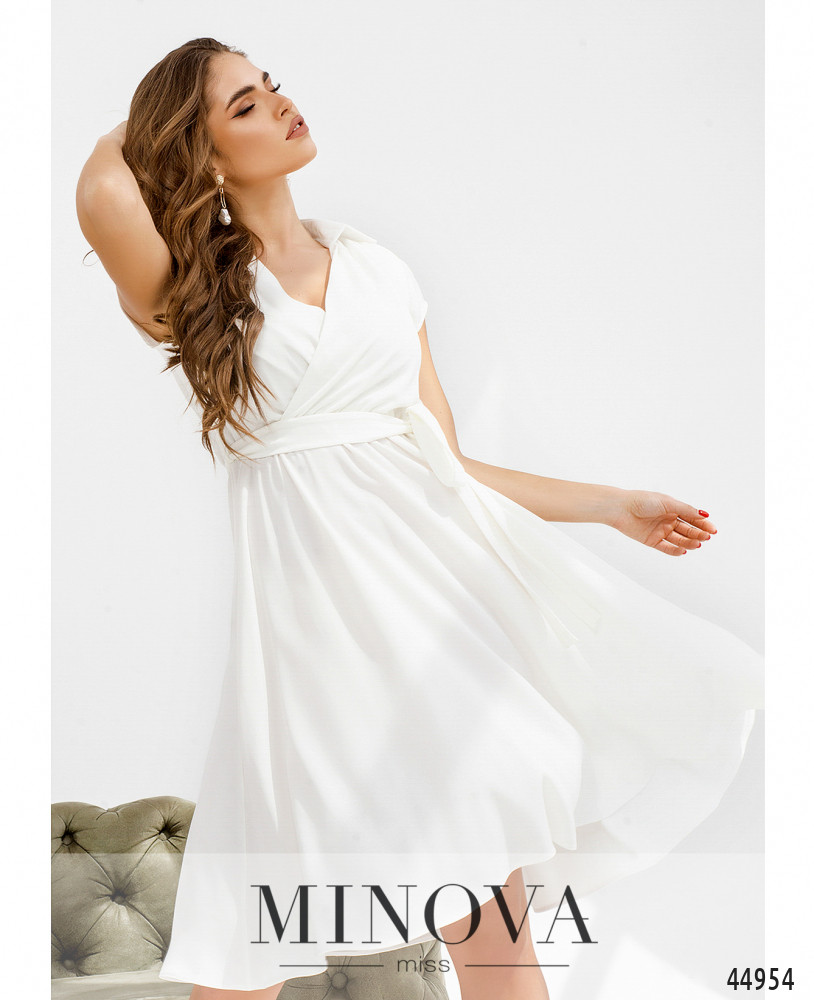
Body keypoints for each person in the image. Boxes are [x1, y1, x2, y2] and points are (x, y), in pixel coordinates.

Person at [75, 37, 762, 1000]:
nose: (281, 103)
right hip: (310, 646)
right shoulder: (197, 293)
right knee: (252, 935)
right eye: (244, 107)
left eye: (272, 85)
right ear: (204, 155)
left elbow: (449, 466)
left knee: (495, 840)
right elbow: (106, 187)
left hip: (433, 623)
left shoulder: (378, 270)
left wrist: (613, 507)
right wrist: (161, 127)